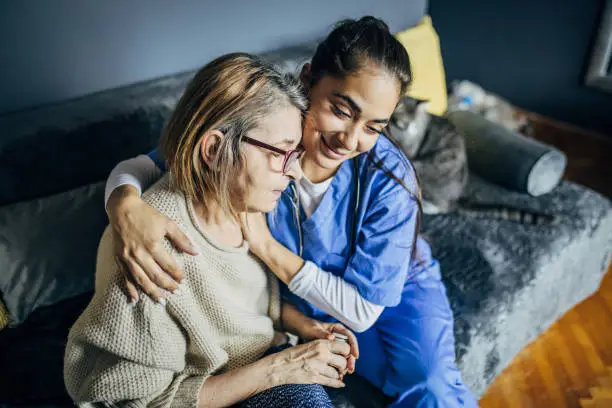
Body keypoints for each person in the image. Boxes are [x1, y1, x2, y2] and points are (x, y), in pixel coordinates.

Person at [104, 17, 478, 407]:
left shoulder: (389, 177)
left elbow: (363, 311)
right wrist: (125, 205)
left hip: (393, 288)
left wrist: (266, 246)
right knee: (374, 377)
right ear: (307, 80)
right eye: (342, 110)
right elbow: (147, 165)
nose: (349, 140)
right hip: (307, 299)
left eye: (373, 127)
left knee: (430, 384)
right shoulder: (265, 128)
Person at [64, 53, 360, 408]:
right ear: (215, 148)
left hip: (260, 360)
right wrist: (279, 369)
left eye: (295, 154)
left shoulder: (246, 204)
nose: (295, 173)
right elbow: (131, 400)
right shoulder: (152, 250)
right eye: (282, 154)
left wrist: (302, 324)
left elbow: (235, 307)